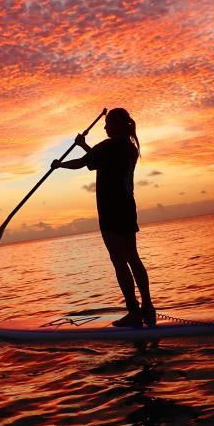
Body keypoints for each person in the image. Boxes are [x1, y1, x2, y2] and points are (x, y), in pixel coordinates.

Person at [51, 108, 156, 327]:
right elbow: (98, 161)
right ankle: (147, 307)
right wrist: (83, 145)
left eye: (108, 123)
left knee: (119, 261)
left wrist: (59, 165)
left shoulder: (109, 146)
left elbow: (83, 162)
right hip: (127, 208)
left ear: (116, 125)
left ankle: (134, 312)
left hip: (110, 210)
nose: (105, 127)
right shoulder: (130, 148)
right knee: (132, 257)